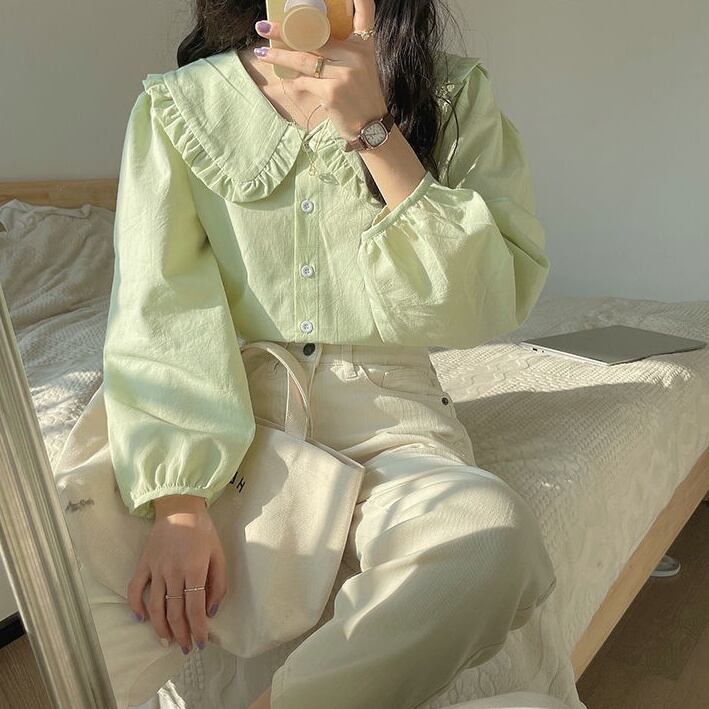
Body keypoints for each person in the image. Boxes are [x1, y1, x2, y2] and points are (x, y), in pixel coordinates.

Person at [98, 0, 562, 707]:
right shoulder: (180, 106)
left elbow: (487, 303)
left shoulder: (451, 93)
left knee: (490, 537)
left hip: (394, 419)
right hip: (235, 425)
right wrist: (180, 503)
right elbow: (159, 311)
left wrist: (375, 130)